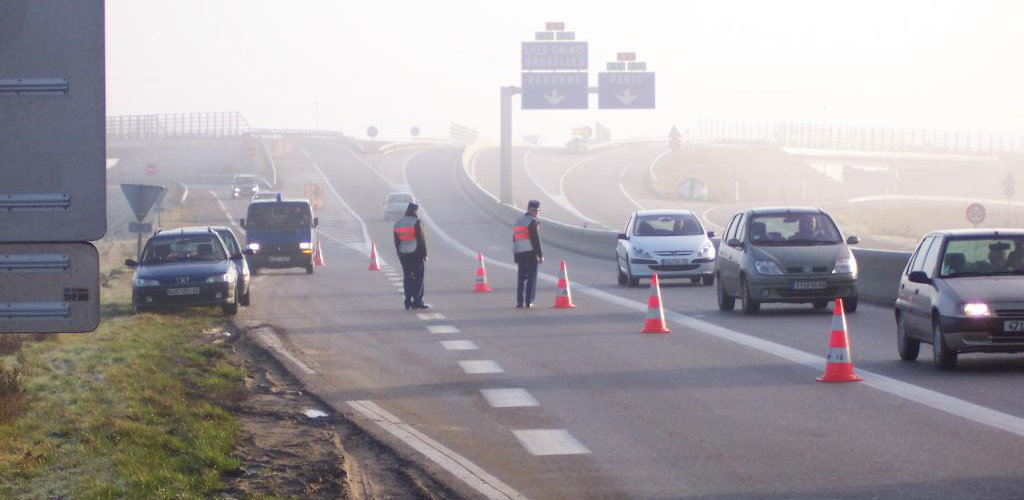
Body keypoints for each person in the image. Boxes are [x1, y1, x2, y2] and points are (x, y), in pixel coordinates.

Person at [393, 202, 428, 310]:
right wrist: (424, 254)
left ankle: (407, 301)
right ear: (414, 212)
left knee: (407, 278)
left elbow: (396, 241)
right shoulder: (416, 223)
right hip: (416, 255)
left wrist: (400, 254)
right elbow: (421, 240)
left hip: (404, 255)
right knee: (418, 278)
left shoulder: (398, 223)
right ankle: (417, 301)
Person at [513, 200, 544, 308]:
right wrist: (540, 255)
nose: (536, 213)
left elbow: (515, 239)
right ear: (529, 209)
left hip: (520, 252)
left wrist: (515, 255)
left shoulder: (518, 221)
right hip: (530, 253)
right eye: (534, 210)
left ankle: (519, 302)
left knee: (521, 278)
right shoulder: (532, 222)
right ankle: (529, 301)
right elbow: (535, 241)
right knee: (531, 277)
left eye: (537, 211)